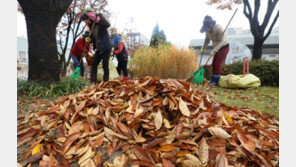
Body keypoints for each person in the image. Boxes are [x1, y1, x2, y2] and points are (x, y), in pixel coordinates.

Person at [80, 8, 112, 83]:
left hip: (106, 46)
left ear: (90, 16)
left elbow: (107, 24)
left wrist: (99, 20)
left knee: (105, 65)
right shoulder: (92, 26)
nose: (86, 21)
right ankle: (92, 82)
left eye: (87, 19)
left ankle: (105, 82)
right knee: (94, 64)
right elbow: (94, 38)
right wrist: (89, 39)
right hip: (99, 48)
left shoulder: (99, 17)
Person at [200, 15, 229, 86]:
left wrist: (214, 50)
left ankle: (217, 81)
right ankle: (213, 79)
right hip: (216, 48)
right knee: (213, 64)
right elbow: (207, 40)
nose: (206, 30)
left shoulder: (219, 29)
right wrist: (203, 49)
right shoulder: (207, 31)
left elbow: (222, 41)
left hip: (224, 47)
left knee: (217, 63)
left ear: (211, 26)